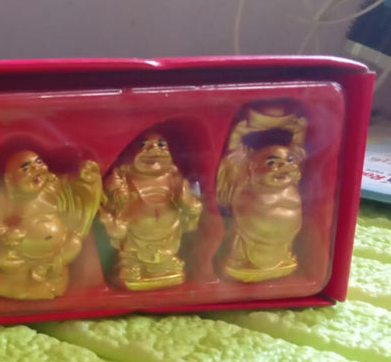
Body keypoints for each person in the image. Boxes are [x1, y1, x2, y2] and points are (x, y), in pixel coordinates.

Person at [0, 151, 103, 300]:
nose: (36, 170)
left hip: (53, 251)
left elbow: (71, 189)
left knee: (74, 243)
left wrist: (86, 181)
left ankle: (46, 268)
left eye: (39, 162)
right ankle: (27, 274)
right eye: (26, 169)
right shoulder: (5, 197)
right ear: (10, 180)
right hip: (20, 250)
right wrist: (7, 232)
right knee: (0, 258)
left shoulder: (51, 187)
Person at [100, 133, 203, 290]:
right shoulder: (124, 177)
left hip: (169, 228)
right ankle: (132, 264)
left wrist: (186, 200)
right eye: (144, 145)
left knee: (167, 256)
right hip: (135, 228)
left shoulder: (173, 177)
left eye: (161, 145)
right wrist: (119, 194)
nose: (154, 150)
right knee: (131, 252)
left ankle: (166, 264)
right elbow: (111, 195)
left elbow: (189, 201)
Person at [216, 105, 306, 282]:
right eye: (272, 162)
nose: (284, 166)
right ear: (252, 167)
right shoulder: (246, 176)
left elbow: (298, 152)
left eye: (288, 161)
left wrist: (299, 133)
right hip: (250, 239)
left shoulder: (291, 180)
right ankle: (241, 260)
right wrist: (236, 134)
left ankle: (282, 259)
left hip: (284, 243)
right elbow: (233, 158)